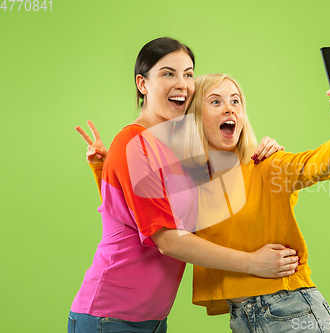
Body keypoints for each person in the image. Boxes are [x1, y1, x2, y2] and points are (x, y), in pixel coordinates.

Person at [86, 71, 330, 332]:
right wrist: (105, 167)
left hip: (292, 310)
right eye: (215, 102)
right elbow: (134, 215)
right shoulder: (186, 185)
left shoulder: (266, 164)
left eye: (236, 101)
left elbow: (319, 163)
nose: (229, 108)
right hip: (243, 318)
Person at [69, 37, 299, 333]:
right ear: (142, 83)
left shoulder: (176, 149)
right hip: (110, 318)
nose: (182, 84)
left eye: (188, 74)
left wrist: (264, 153)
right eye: (168, 73)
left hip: (150, 320)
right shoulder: (133, 143)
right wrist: (254, 263)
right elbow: (167, 239)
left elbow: (127, 211)